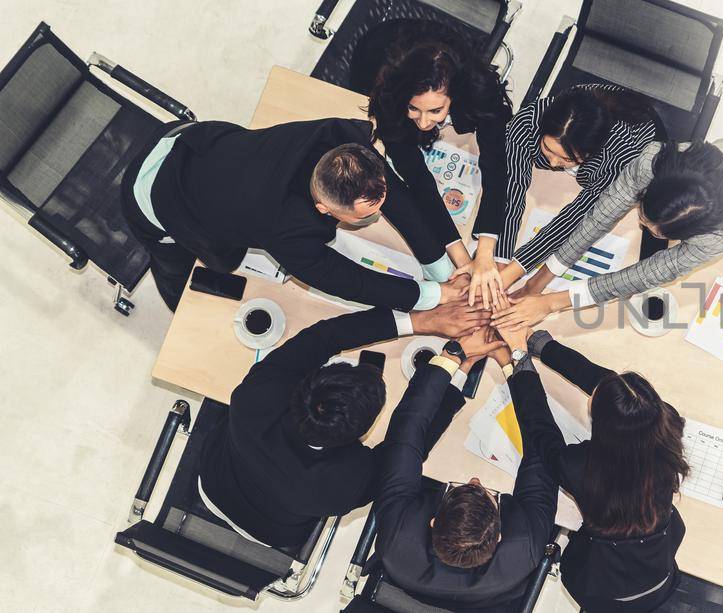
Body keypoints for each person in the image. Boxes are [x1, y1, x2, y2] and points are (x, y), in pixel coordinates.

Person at [195, 301, 489, 548]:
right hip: (270, 532)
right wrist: (459, 367)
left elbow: (323, 336)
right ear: (362, 433)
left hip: (214, 478)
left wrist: (423, 321)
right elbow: (410, 445)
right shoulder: (346, 482)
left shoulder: (255, 397)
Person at [491, 128, 723, 334]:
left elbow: (648, 274)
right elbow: (597, 218)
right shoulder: (654, 160)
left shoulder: (722, 232)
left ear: (694, 233)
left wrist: (554, 303)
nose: (642, 227)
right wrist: (540, 279)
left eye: (656, 230)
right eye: (644, 215)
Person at [120, 118, 470, 312]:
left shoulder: (342, 142)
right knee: (181, 278)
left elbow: (395, 197)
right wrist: (432, 296)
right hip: (156, 200)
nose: (380, 213)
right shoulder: (283, 226)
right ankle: (177, 306)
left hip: (190, 140)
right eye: (367, 215)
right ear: (323, 208)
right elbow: (346, 279)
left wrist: (439, 267)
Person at [371, 330, 558, 608]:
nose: (475, 478)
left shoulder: (398, 537)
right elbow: (544, 453)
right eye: (488, 492)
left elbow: (407, 429)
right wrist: (513, 365)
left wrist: (454, 359)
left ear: (432, 522)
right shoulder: (524, 546)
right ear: (498, 537)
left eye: (463, 487)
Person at [511, 329, 689, 612]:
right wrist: (543, 346)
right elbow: (613, 391)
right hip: (659, 570)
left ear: (604, 426)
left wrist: (519, 362)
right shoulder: (663, 422)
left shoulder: (581, 466)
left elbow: (541, 433)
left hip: (602, 589)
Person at [460, 84, 665, 310]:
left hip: (642, 135)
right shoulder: (527, 122)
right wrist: (499, 259)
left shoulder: (619, 155)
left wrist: (513, 272)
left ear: (591, 152)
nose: (554, 163)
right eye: (548, 150)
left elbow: (574, 217)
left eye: (568, 159)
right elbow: (512, 188)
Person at [367, 23, 512, 282]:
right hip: (379, 47)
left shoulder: (479, 90)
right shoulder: (391, 93)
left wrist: (486, 254)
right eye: (414, 108)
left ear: (455, 97)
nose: (423, 123)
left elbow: (496, 165)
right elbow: (417, 177)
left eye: (435, 111)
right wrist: (462, 258)